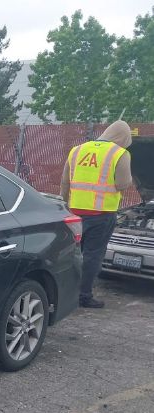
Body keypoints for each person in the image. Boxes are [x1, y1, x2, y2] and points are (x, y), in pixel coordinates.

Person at [61, 120, 133, 308]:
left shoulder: (77, 150)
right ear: (124, 137)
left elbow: (65, 182)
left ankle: (65, 294)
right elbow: (122, 184)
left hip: (74, 212)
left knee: (72, 254)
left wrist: (65, 204)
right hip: (101, 214)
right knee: (92, 256)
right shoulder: (120, 153)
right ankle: (84, 296)